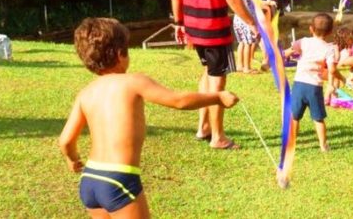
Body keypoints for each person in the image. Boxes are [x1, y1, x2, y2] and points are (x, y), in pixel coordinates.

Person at [59, 18, 239, 218]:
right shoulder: (133, 82)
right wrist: (217, 97)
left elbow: (65, 141)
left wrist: (72, 159)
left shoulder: (86, 92)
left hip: (90, 179)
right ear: (120, 54)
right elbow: (178, 100)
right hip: (118, 178)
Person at [170, 0, 255, 150]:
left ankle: (203, 127)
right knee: (217, 82)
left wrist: (178, 23)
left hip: (194, 28)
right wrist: (251, 22)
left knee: (207, 73)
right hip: (215, 28)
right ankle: (218, 137)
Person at [283, 13, 339, 152]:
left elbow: (287, 53)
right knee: (318, 118)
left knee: (295, 116)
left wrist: (274, 55)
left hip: (299, 85)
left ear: (311, 29)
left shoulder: (303, 42)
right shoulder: (329, 48)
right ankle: (323, 145)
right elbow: (331, 69)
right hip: (315, 88)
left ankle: (292, 144)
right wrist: (332, 84)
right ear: (330, 32)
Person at [334, 26, 353, 90]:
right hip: (346, 59)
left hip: (346, 59)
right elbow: (339, 59)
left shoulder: (343, 46)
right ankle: (349, 80)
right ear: (345, 38)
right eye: (351, 39)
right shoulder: (344, 48)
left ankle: (351, 82)